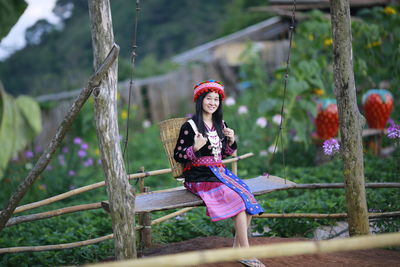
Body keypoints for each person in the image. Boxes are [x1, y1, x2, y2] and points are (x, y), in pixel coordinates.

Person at [173, 80, 265, 267]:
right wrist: (194, 148)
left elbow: (221, 154)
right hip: (198, 176)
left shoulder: (220, 124)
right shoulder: (189, 126)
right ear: (200, 100)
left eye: (216, 99)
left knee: (246, 197)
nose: (213, 103)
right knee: (238, 201)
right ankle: (247, 253)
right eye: (209, 98)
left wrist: (230, 141)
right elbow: (179, 155)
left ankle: (236, 250)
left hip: (219, 172)